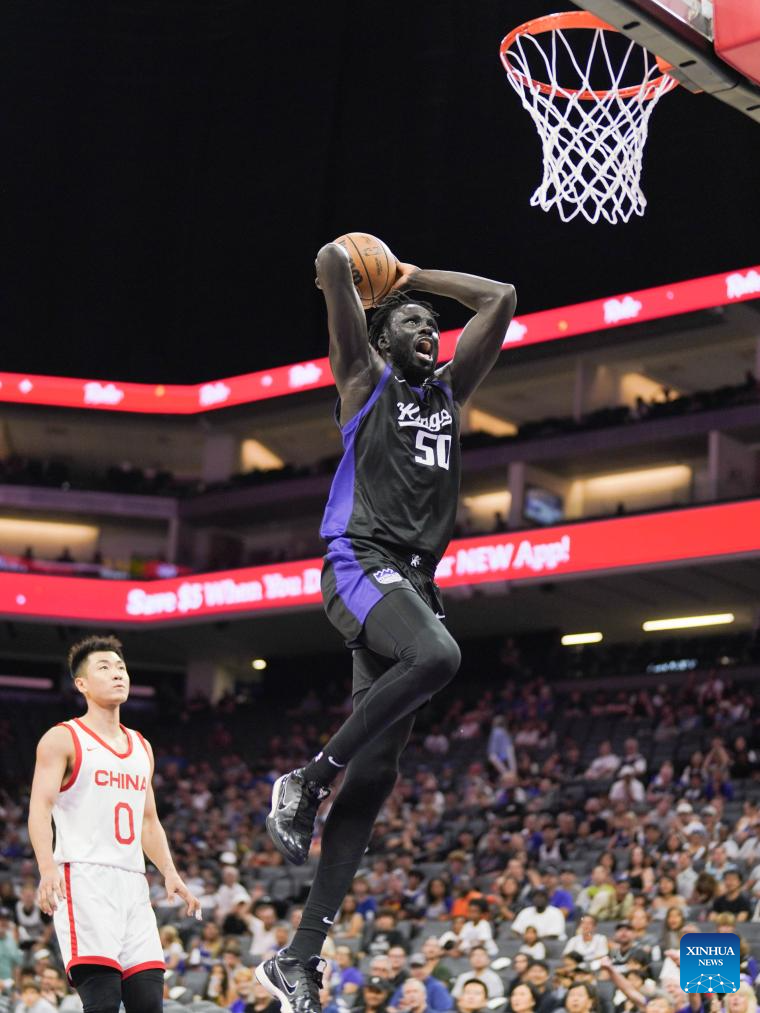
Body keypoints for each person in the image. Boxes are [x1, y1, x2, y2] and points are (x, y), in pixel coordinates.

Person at [258, 243, 516, 1013]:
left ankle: (298, 956)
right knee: (438, 653)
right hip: (359, 559)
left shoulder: (448, 393)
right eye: (412, 322)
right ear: (380, 335)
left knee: (374, 777)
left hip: (414, 579)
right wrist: (364, 276)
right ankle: (306, 781)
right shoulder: (363, 378)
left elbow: (500, 296)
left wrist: (414, 280)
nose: (429, 331)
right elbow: (331, 261)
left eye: (434, 326)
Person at [27, 634, 200, 1013]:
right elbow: (40, 807)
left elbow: (148, 821)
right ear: (82, 684)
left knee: (148, 1004)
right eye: (104, 668)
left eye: (121, 667)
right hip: (83, 879)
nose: (118, 674)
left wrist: (170, 872)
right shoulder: (63, 738)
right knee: (103, 1004)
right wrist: (46, 867)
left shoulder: (141, 746)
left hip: (133, 883)